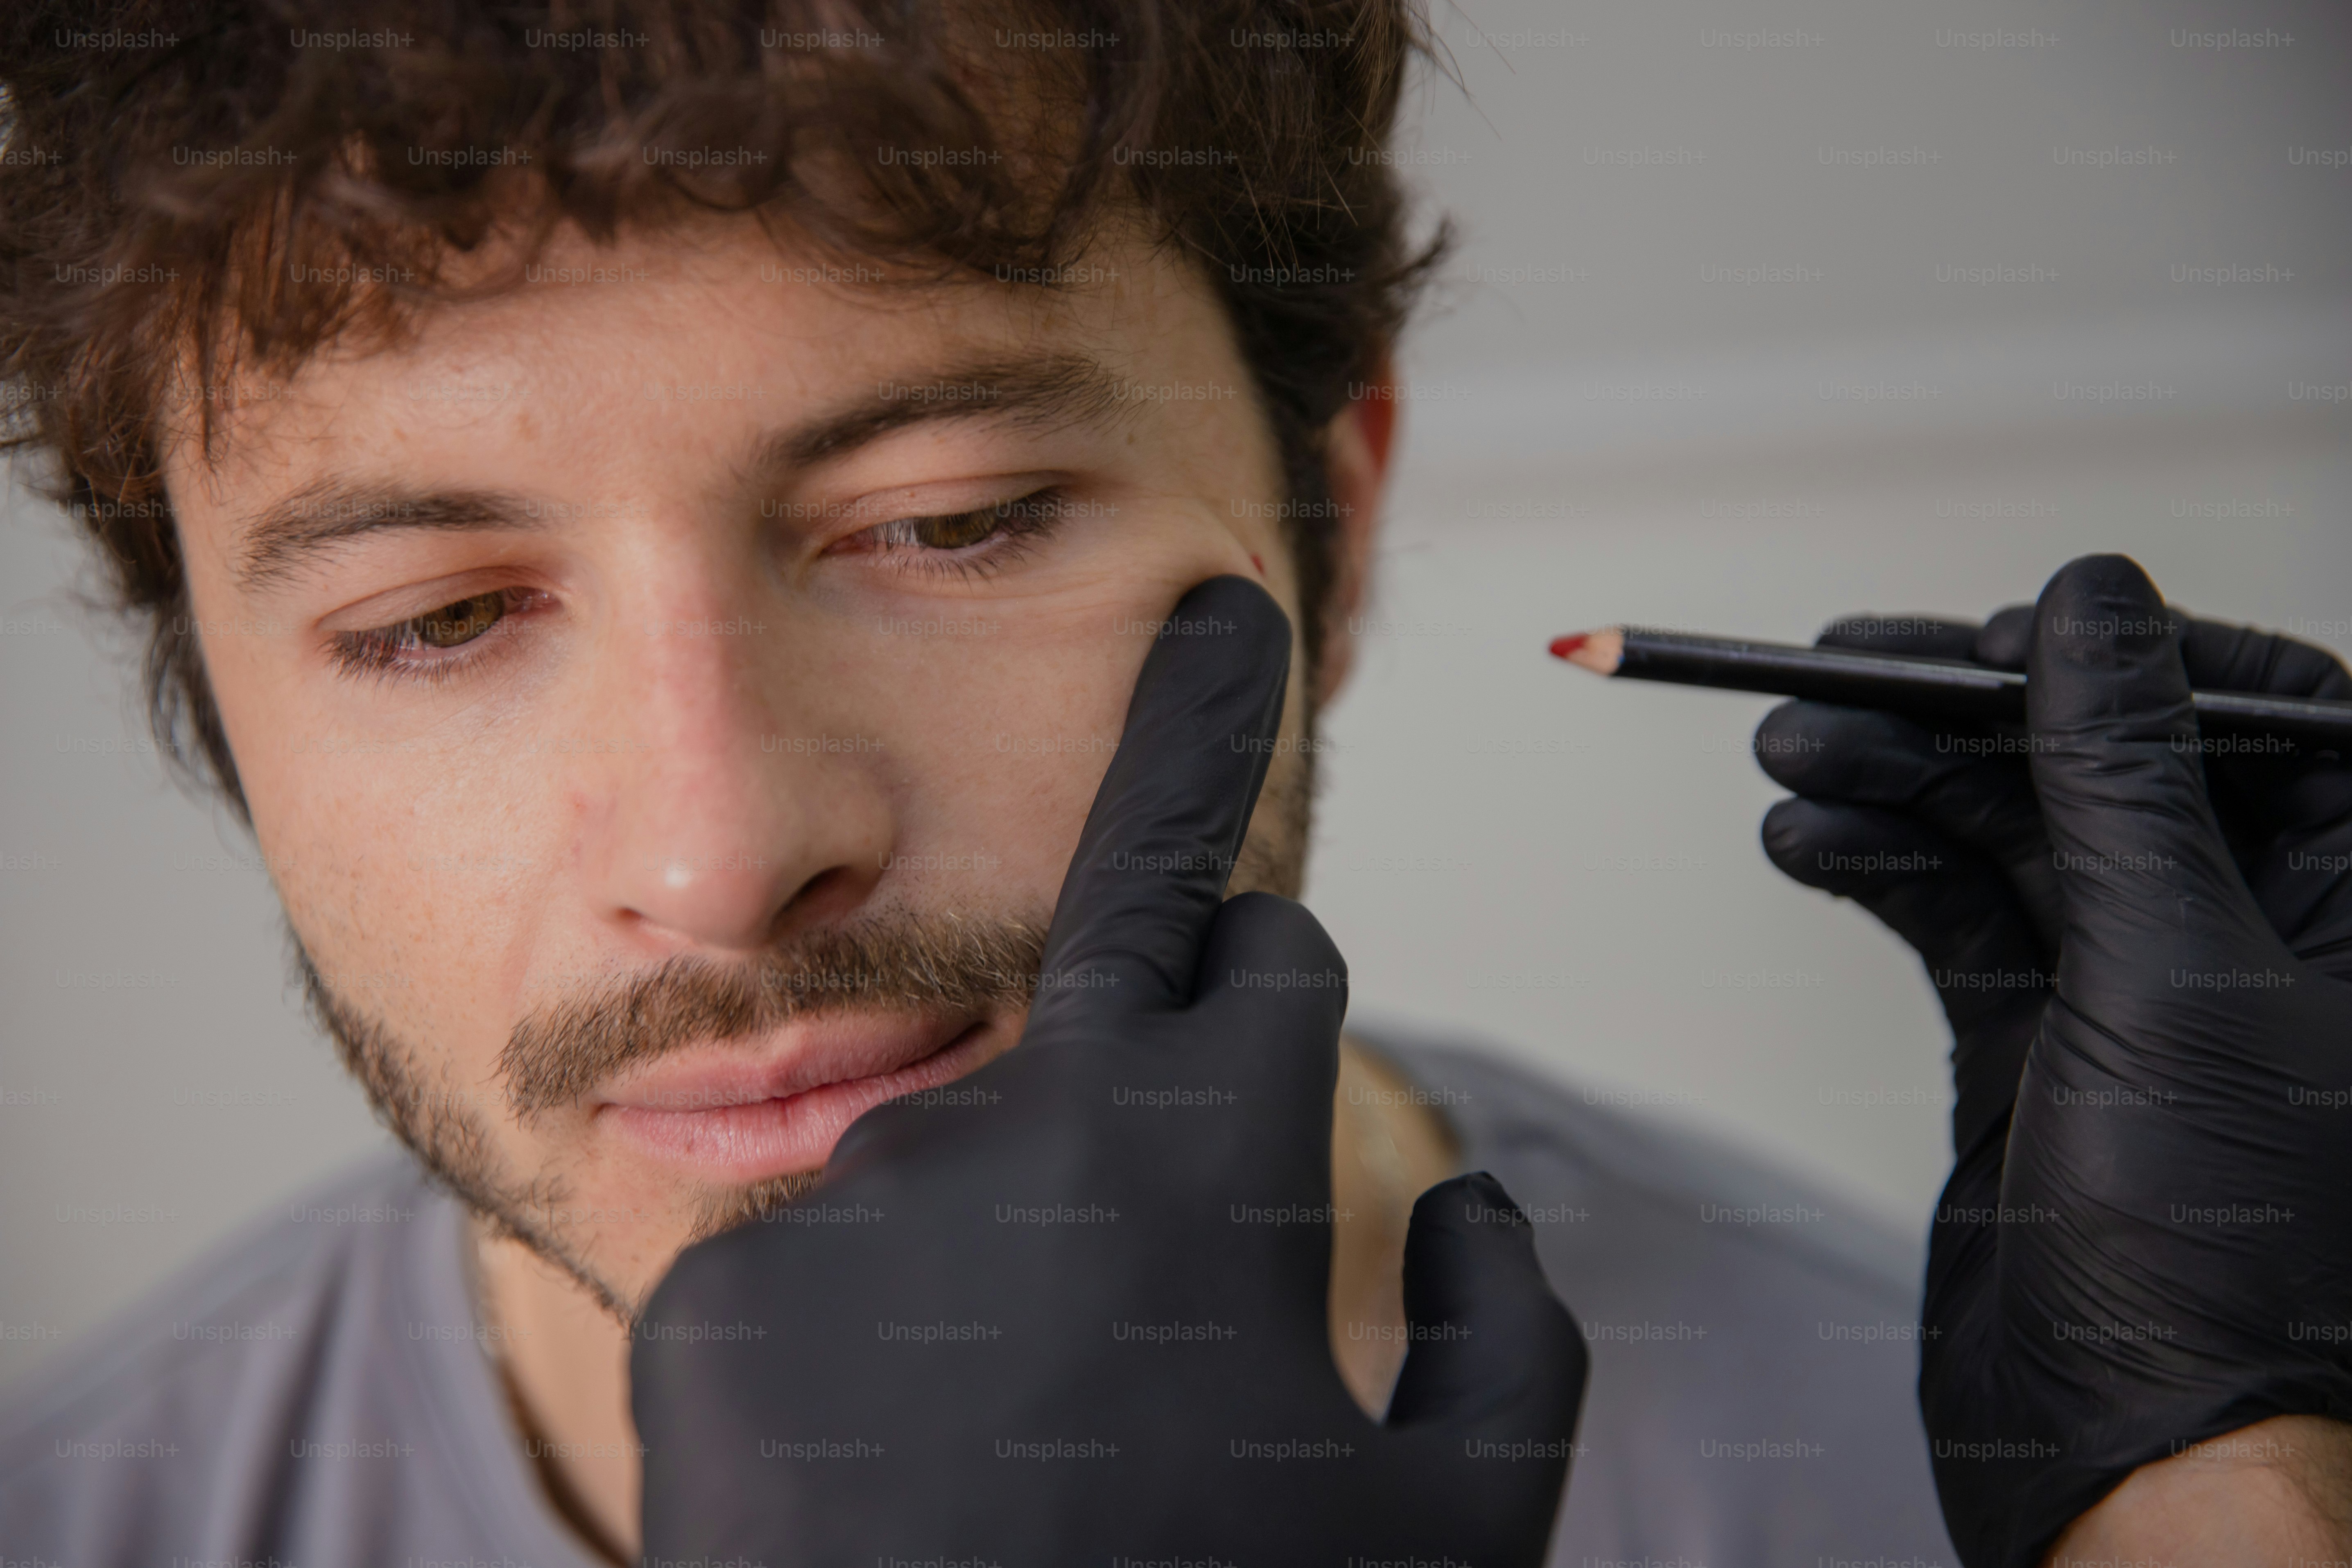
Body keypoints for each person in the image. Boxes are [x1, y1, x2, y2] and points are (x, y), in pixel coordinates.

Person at [4, 3, 2341, 1564]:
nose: (724, 851)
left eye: (954, 521)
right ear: (215, 698)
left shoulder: (1994, 1488)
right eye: (434, 620)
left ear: (1330, 517)